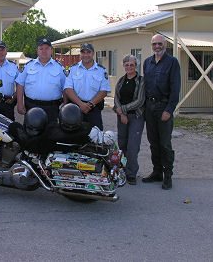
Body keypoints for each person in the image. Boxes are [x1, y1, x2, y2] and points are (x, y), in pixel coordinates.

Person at [142, 34, 181, 190]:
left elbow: (175, 88)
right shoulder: (147, 63)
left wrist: (169, 110)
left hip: (163, 107)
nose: (157, 46)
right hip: (150, 107)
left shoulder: (172, 63)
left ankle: (168, 176)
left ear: (165, 44)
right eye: (154, 44)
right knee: (153, 143)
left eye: (159, 43)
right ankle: (157, 172)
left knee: (165, 144)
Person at [16, 38, 67, 121]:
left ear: (51, 50)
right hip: (31, 106)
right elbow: (20, 84)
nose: (44, 51)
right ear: (37, 50)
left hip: (52, 109)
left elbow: (66, 87)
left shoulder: (59, 67)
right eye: (41, 48)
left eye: (47, 48)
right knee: (31, 132)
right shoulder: (28, 66)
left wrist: (65, 104)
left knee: (52, 132)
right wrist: (20, 104)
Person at [113, 54, 146, 185]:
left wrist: (124, 110)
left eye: (131, 64)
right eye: (127, 65)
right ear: (123, 66)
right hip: (122, 117)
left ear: (136, 66)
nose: (129, 67)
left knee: (133, 146)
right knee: (122, 144)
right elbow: (116, 98)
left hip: (136, 116)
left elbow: (140, 100)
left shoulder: (141, 81)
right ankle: (123, 170)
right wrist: (121, 113)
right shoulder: (121, 80)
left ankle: (131, 173)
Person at [64, 43, 111, 130]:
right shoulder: (72, 69)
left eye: (88, 52)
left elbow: (104, 91)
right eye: (83, 52)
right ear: (80, 54)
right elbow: (68, 89)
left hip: (94, 109)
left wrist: (90, 104)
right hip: (76, 109)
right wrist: (81, 104)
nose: (86, 55)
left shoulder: (101, 70)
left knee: (96, 138)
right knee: (75, 136)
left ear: (93, 53)